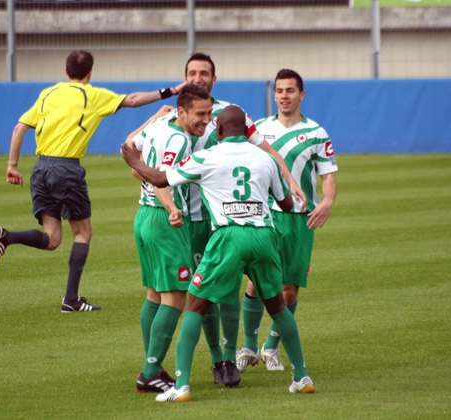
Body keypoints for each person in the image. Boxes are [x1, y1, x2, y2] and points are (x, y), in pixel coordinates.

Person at [121, 105, 315, 402]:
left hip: (228, 236)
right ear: (245, 131)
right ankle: (301, 376)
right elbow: (286, 206)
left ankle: (182, 385)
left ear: (220, 130)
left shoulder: (207, 157)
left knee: (195, 305)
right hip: (264, 235)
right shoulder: (265, 159)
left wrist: (134, 159)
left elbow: (160, 180)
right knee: (277, 306)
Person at [0, 50, 186, 312]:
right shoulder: (92, 95)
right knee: (83, 233)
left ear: (66, 72)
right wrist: (170, 90)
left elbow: (19, 128)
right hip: (67, 169)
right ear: (90, 73)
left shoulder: (49, 93)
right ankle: (71, 300)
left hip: (40, 168)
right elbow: (133, 100)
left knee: (52, 238)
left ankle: (6, 237)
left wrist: (12, 166)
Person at [182, 52, 308, 385]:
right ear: (185, 76)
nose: (198, 77)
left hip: (220, 219)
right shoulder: (171, 114)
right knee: (199, 292)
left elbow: (265, 150)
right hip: (190, 214)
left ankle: (223, 361)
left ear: (213, 78)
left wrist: (290, 179)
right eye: (192, 72)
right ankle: (220, 358)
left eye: (204, 72)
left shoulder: (231, 114)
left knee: (209, 293)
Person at [236, 68, 338, 374]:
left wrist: (327, 202)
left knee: (289, 290)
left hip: (299, 219)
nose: (284, 96)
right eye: (279, 91)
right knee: (256, 281)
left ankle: (271, 347)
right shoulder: (259, 130)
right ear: (273, 94)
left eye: (290, 91)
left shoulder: (317, 133)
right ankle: (249, 347)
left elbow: (328, 175)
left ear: (301, 95)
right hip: (264, 215)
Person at [126, 84, 213, 393]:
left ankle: (154, 366)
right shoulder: (178, 138)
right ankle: (150, 372)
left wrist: (142, 177)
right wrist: (172, 208)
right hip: (164, 222)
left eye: (209, 113)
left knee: (153, 294)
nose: (206, 120)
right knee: (175, 296)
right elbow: (163, 178)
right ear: (182, 111)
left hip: (143, 216)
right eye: (199, 115)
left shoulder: (160, 122)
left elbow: (128, 147)